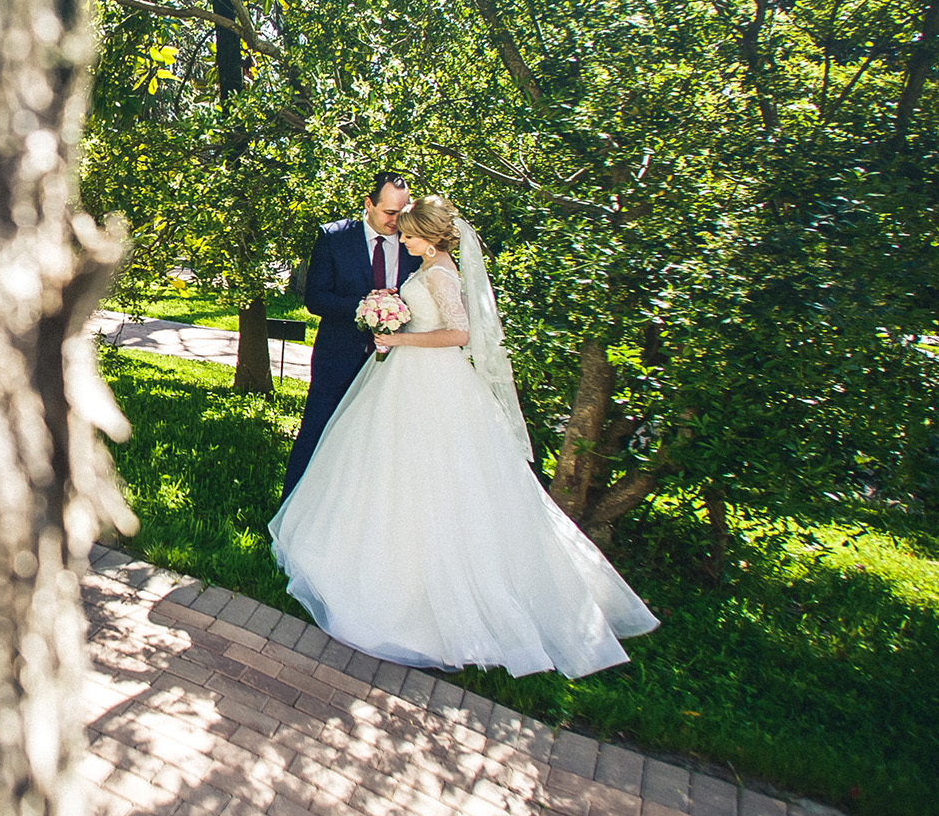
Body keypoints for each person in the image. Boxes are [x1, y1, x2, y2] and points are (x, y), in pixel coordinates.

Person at [270, 196, 657, 678]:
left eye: (409, 234)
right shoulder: (430, 267)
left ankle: (420, 589)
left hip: (432, 382)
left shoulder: (439, 273)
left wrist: (398, 336)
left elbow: (460, 334)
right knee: (391, 471)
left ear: (429, 240)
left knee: (432, 477)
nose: (402, 240)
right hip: (406, 379)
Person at [282, 171, 419, 500]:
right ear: (368, 204)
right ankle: (289, 512)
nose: (396, 221)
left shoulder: (414, 242)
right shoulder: (334, 237)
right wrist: (365, 307)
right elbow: (315, 298)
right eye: (389, 213)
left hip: (397, 365)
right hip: (338, 356)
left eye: (402, 212)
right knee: (317, 432)